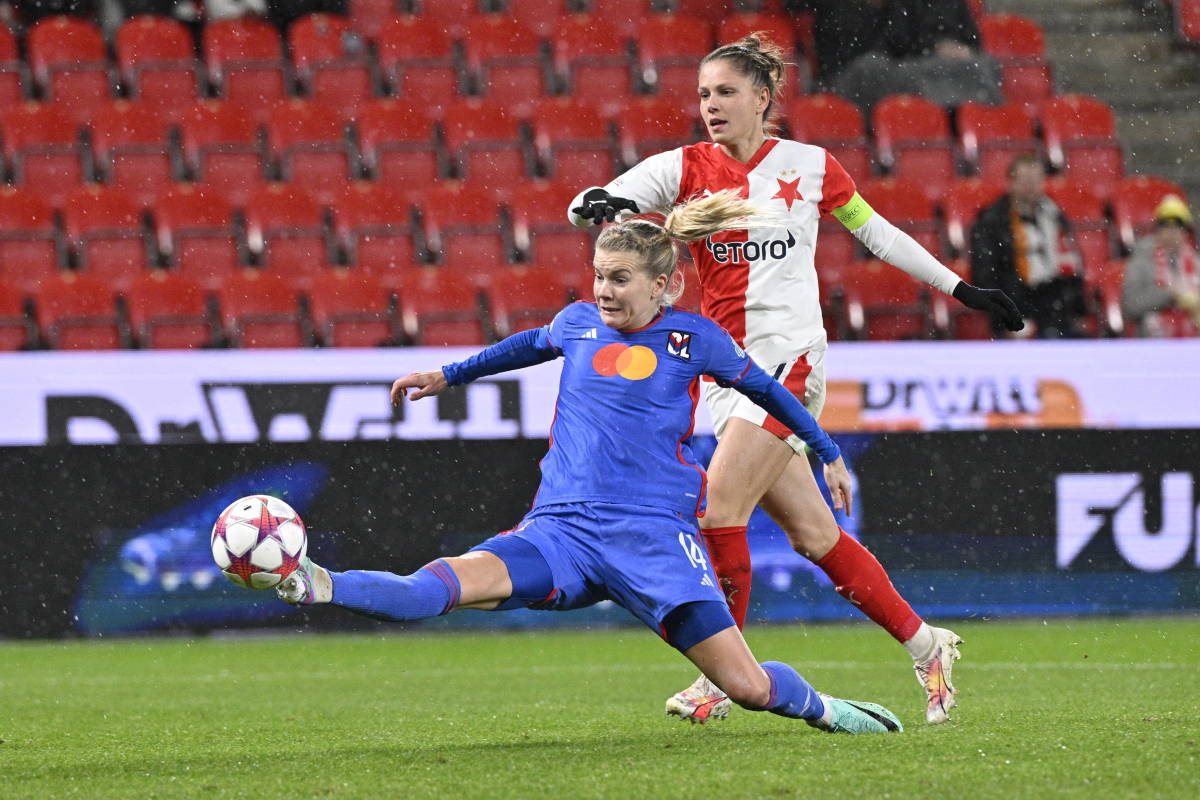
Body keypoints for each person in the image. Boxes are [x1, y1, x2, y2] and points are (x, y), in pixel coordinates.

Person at [274, 192, 905, 736]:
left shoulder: (693, 338)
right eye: (600, 275)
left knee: (748, 688)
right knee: (431, 589)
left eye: (621, 278)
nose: (604, 290)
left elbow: (768, 392)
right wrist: (448, 373)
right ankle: (317, 582)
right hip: (561, 533)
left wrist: (826, 452)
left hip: (654, 541)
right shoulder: (575, 323)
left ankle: (827, 710)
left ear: (663, 285)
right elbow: (527, 344)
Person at [566, 34, 1022, 725]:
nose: (711, 105)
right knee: (815, 537)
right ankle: (927, 644)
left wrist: (961, 289)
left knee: (718, 511)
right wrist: (597, 203)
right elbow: (595, 201)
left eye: (724, 92)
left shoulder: (810, 166)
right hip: (727, 375)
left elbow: (878, 235)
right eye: (702, 94)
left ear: (762, 97)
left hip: (791, 362)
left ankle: (723, 676)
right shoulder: (683, 168)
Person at [970, 154, 1087, 338]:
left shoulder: (1053, 214)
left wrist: (1079, 309)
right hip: (1015, 302)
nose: (1031, 187)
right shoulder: (992, 220)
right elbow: (984, 275)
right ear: (1011, 183)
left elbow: (1073, 263)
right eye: (1025, 180)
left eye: (1036, 180)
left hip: (1054, 304)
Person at [1122, 194, 1199, 337]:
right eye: (1167, 228)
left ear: (1185, 233)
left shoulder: (1195, 262)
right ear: (1158, 231)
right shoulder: (1141, 261)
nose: (1172, 234)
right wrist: (1169, 296)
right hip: (1154, 336)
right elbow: (1131, 306)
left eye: (1177, 228)